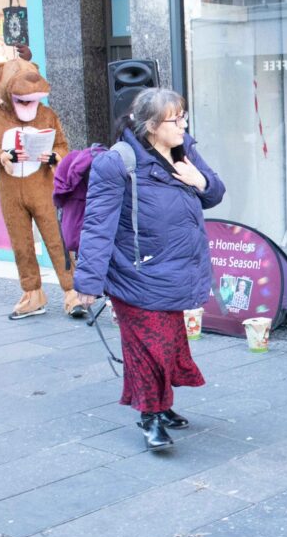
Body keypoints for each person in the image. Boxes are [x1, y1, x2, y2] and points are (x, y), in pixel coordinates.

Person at [74, 88, 225, 450]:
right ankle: (150, 416)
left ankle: (163, 404)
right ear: (153, 125)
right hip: (135, 273)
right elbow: (98, 225)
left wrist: (197, 180)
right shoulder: (117, 163)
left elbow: (214, 193)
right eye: (177, 118)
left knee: (170, 344)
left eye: (184, 116)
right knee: (148, 348)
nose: (184, 124)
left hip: (174, 269)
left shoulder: (183, 150)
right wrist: (88, 282)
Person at [0, 56, 84, 319]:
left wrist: (54, 157)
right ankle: (33, 293)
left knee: (56, 239)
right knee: (21, 244)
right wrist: (3, 155)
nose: (28, 104)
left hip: (43, 187)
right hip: (10, 191)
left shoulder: (47, 114)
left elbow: (61, 145)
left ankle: (72, 293)